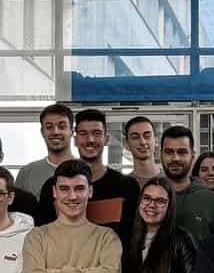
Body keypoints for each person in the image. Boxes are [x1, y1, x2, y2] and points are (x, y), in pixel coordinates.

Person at [35, 109, 138, 239]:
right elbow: (44, 237)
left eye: (97, 133)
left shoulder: (127, 186)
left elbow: (133, 237)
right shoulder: (53, 187)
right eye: (83, 133)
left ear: (106, 139)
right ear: (75, 140)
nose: (90, 140)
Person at [159, 124, 214, 240]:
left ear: (193, 156)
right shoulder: (148, 198)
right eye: (169, 152)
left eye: (182, 152)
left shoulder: (213, 201)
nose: (175, 158)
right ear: (160, 155)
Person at [17, 102, 76, 197]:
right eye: (49, 127)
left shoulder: (87, 170)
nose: (55, 132)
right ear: (42, 132)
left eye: (61, 127)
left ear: (72, 131)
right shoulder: (26, 173)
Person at [124, 116, 161, 183]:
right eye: (135, 137)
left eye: (147, 136)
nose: (142, 142)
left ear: (156, 140)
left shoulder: (172, 180)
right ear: (127, 144)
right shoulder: (121, 185)